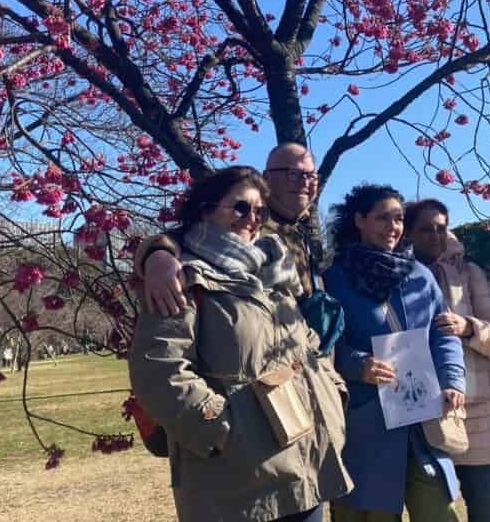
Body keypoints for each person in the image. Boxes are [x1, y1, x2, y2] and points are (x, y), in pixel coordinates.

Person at [129, 166, 352, 522]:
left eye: (260, 211)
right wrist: (218, 428)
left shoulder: (274, 275)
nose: (252, 219)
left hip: (305, 466)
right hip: (238, 481)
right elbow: (158, 368)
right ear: (205, 209)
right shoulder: (184, 277)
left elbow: (308, 345)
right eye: (240, 207)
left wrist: (333, 390)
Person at [323, 184, 466, 522]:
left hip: (424, 418)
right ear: (359, 220)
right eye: (382, 218)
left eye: (399, 218)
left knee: (438, 511)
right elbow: (325, 345)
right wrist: (358, 365)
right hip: (364, 421)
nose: (393, 227)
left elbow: (443, 335)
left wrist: (452, 381)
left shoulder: (420, 276)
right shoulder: (334, 278)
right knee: (368, 511)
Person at [404, 199, 490, 522]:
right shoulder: (396, 273)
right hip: (420, 408)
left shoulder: (469, 273)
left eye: (441, 228)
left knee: (483, 507)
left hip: (475, 410)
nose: (435, 236)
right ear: (409, 232)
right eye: (425, 229)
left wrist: (469, 328)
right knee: (434, 510)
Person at [136, 142, 324, 314]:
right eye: (294, 174)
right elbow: (186, 237)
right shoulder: (248, 228)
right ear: (267, 177)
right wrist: (159, 256)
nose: (305, 182)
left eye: (311, 175)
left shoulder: (298, 231)